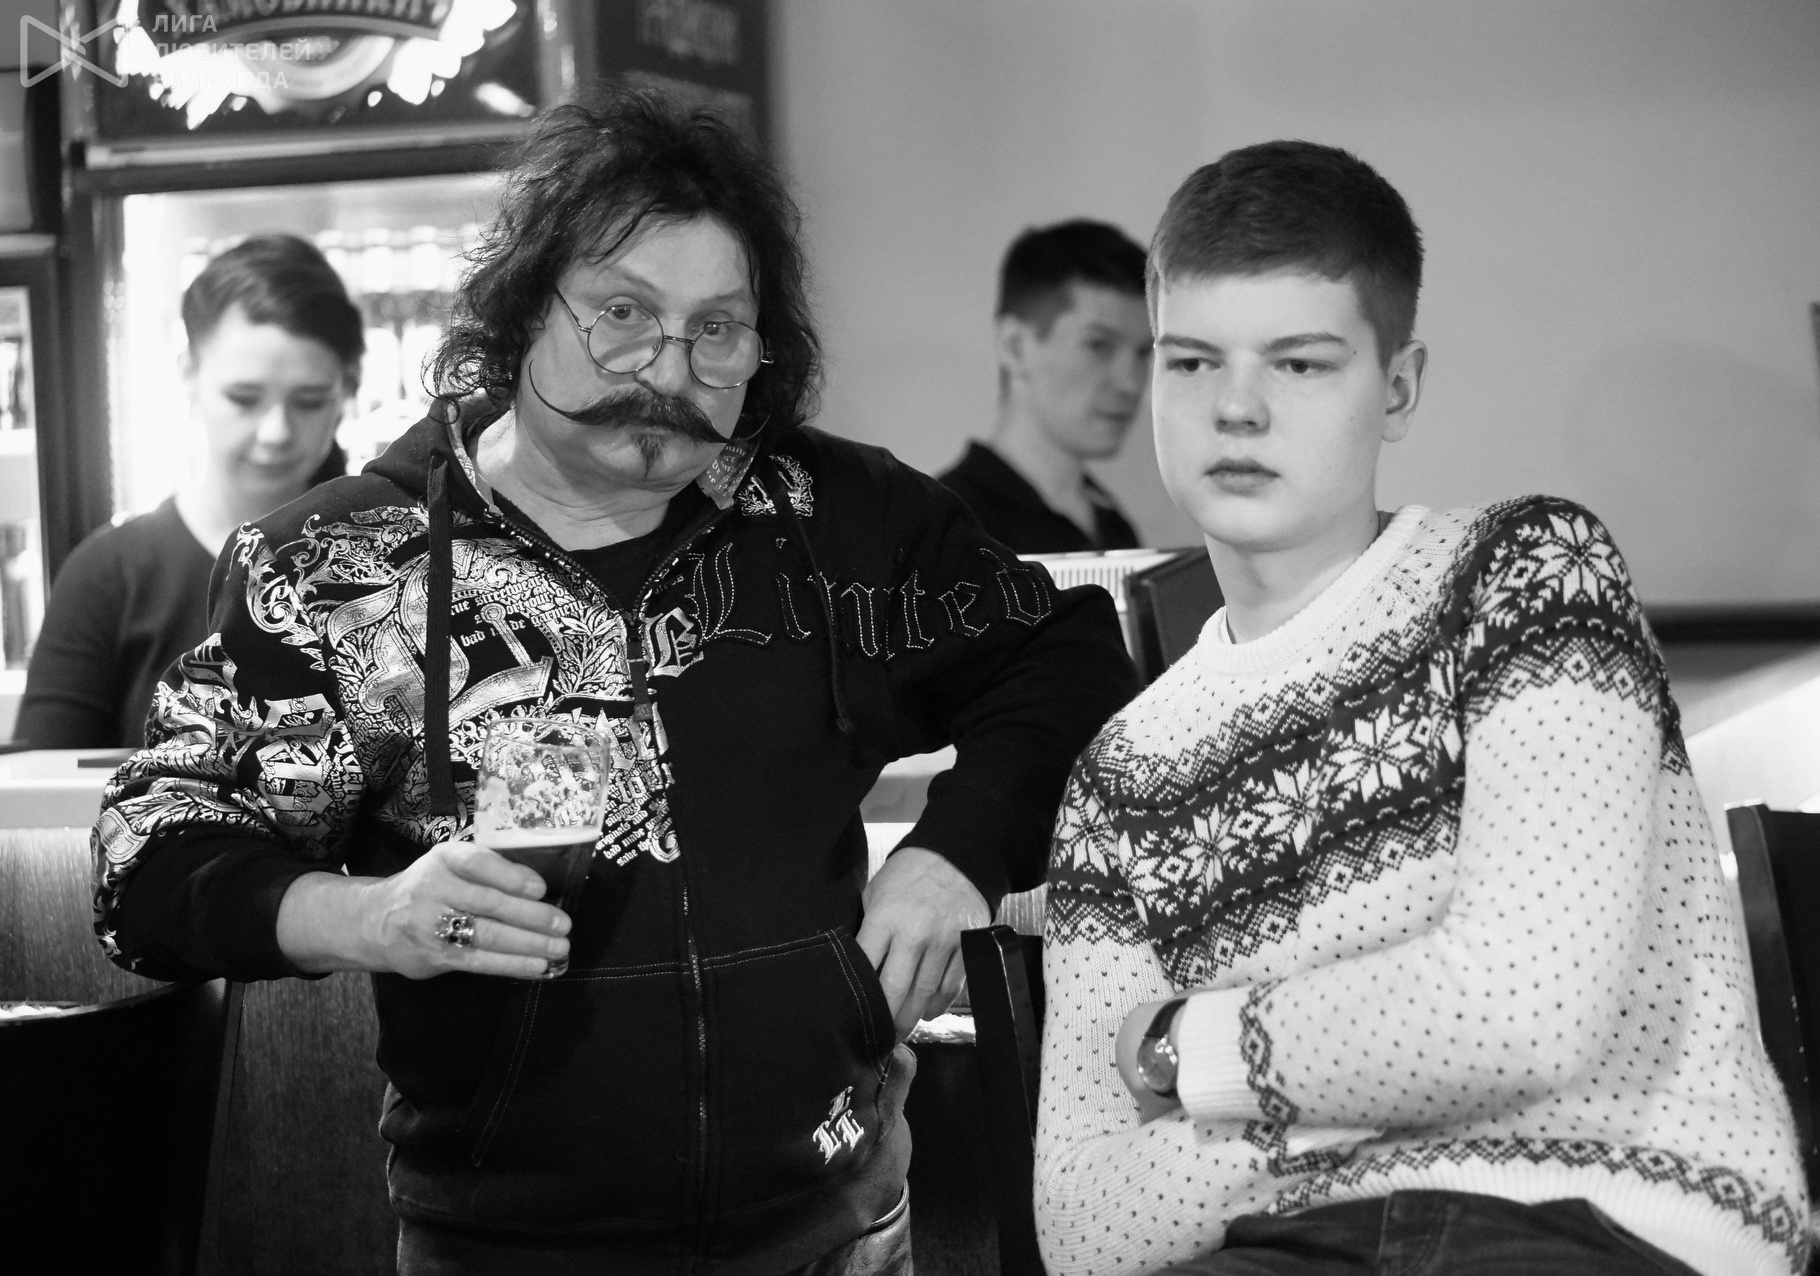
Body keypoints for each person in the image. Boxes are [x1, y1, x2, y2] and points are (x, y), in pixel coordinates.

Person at [92, 88, 1138, 1275]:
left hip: (837, 1227)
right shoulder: (339, 567)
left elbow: (1067, 658)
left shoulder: (832, 519)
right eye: (622, 314)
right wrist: (375, 917)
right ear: (525, 307)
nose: (666, 370)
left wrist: (959, 853)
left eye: (716, 329)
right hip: (505, 1249)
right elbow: (151, 858)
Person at [1032, 141, 1806, 1276]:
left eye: (1301, 364)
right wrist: (1392, 1086)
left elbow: (1522, 1009)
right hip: (1282, 1251)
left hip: (1595, 1220)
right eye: (1191, 362)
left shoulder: (1525, 574)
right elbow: (1085, 1226)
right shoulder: (1123, 774)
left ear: (1397, 387)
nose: (1235, 409)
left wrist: (1182, 1049)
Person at [17, 234, 357, 748]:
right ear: (188, 375)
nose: (276, 432)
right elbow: (44, 779)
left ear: (345, 390)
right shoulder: (110, 576)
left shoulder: (381, 567)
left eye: (309, 401)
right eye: (244, 398)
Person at [938, 220, 1152, 553]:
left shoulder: (1114, 525)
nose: (1131, 383)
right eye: (1099, 345)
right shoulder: (947, 526)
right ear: (1015, 346)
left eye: (1143, 352)